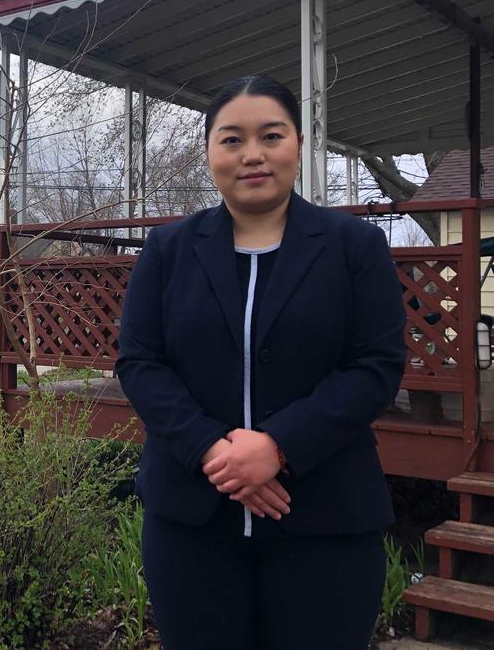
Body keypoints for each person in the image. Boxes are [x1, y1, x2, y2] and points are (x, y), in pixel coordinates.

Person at [116, 75, 406, 650]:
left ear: (298, 142)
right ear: (209, 153)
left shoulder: (354, 247)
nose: (252, 154)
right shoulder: (168, 250)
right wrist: (213, 451)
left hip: (326, 519)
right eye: (231, 139)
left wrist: (277, 448)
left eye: (271, 135)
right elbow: (140, 362)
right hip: (193, 525)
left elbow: (375, 365)